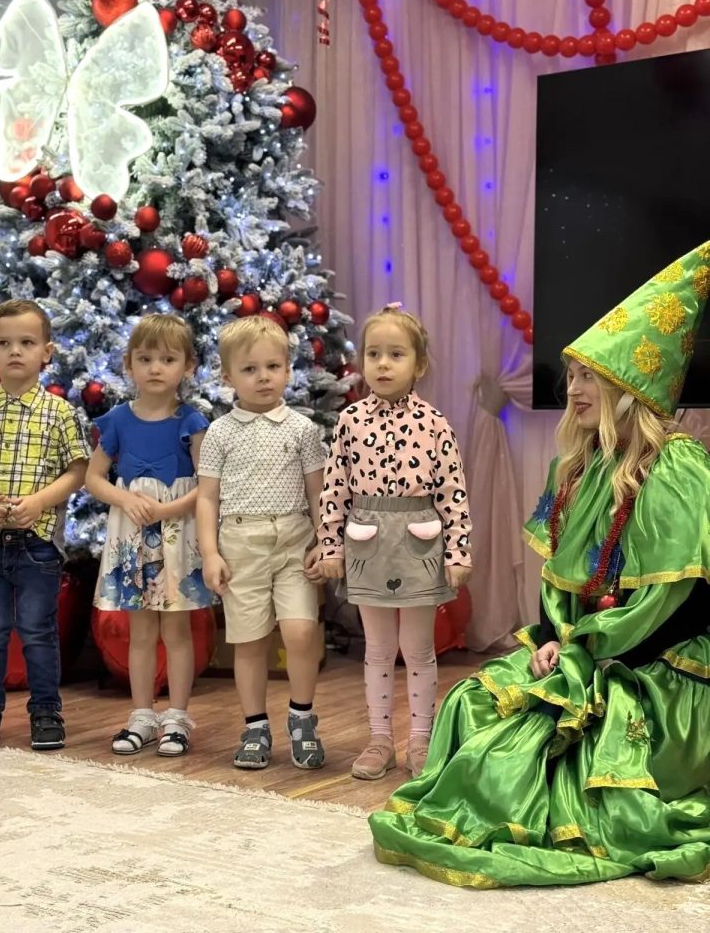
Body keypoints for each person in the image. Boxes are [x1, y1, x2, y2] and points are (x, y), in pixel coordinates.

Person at [370, 245, 710, 887]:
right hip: (590, 647)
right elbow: (560, 581)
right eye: (571, 375)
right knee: (473, 701)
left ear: (628, 387)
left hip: (657, 663)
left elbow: (677, 603)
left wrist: (590, 654)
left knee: (551, 749)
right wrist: (553, 637)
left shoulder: (677, 469)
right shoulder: (574, 470)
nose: (571, 389)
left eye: (589, 377)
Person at [318, 305, 472, 781]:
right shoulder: (349, 421)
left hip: (418, 545)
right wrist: (330, 546)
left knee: (418, 648)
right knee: (379, 648)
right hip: (367, 545)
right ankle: (380, 739)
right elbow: (334, 489)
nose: (383, 364)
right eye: (373, 354)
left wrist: (458, 551)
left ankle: (420, 739)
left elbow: (453, 493)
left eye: (396, 354)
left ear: (418, 364)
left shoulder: (435, 423)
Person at [0, 299, 89, 750]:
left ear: (46, 352)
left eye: (26, 342)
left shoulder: (60, 412)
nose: (15, 351)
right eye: (4, 343)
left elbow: (77, 470)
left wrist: (40, 501)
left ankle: (46, 712)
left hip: (38, 543)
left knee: (38, 630)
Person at [196, 315, 326, 770]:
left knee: (301, 632)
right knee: (249, 641)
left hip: (294, 542)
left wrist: (324, 541)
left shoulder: (302, 429)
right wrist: (210, 553)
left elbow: (318, 493)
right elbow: (207, 498)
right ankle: (255, 726)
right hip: (240, 545)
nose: (263, 377)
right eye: (250, 369)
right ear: (228, 376)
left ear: (288, 370)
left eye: (273, 367)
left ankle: (302, 718)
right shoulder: (219, 432)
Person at [87, 315, 212, 757]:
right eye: (145, 359)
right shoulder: (118, 420)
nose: (155, 367)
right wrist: (124, 499)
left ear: (188, 366)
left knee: (176, 630)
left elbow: (207, 484)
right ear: (129, 364)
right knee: (140, 631)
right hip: (133, 535)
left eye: (167, 359)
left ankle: (176, 717)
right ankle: (141, 714)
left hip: (177, 533)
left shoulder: (191, 421)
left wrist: (167, 510)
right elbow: (94, 478)